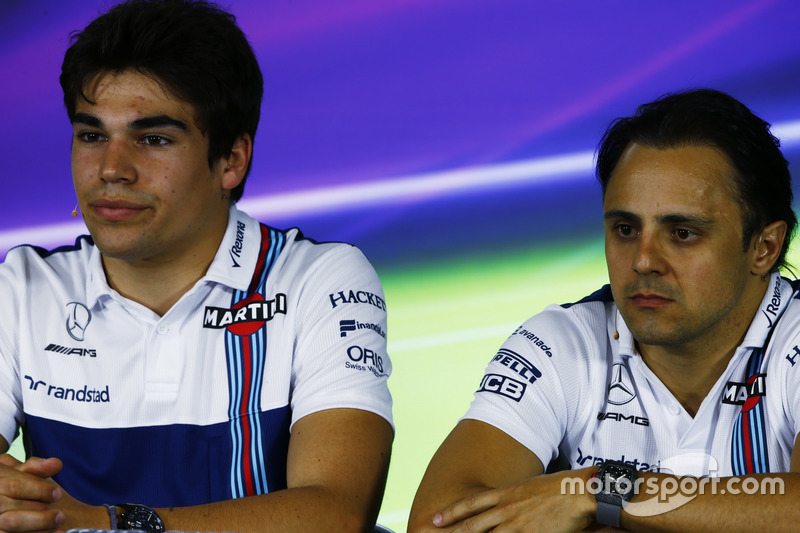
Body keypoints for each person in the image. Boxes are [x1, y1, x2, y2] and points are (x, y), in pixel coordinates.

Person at [0, 0, 393, 531]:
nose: (111, 169)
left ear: (232, 159)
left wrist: (110, 522)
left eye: (154, 138)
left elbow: (334, 513)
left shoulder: (317, 280)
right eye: (92, 135)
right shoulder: (21, 289)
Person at [408, 88, 800, 532]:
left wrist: (599, 490)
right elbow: (435, 523)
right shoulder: (558, 344)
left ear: (764, 248)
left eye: (684, 233)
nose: (643, 260)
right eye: (626, 228)